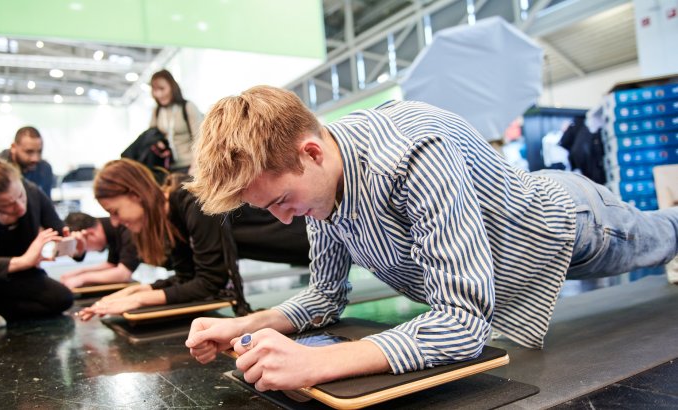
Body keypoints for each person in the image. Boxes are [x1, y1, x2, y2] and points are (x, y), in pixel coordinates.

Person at [183, 85, 678, 392]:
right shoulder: (317, 183)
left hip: (572, 225)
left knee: (669, 235)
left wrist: (317, 361)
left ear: (311, 152)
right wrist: (248, 324)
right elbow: (325, 295)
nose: (286, 220)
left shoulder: (414, 152)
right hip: (509, 262)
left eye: (282, 201)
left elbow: (462, 321)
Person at [77, 160, 309, 321]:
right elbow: (186, 278)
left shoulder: (192, 199)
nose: (115, 222)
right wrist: (133, 293)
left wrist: (140, 300)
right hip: (297, 248)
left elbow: (210, 282)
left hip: (304, 238)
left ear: (135, 195)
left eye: (115, 211)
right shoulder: (172, 214)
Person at [0, 157, 85, 335]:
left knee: (61, 299)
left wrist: (76, 249)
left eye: (20, 196)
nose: (20, 208)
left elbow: (59, 231)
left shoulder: (31, 191)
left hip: (11, 278)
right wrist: (23, 261)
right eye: (7, 205)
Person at [59, 212, 141, 289]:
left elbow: (124, 274)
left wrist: (82, 278)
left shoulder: (126, 229)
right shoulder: (111, 232)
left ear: (90, 233)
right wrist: (79, 273)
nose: (87, 251)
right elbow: (111, 265)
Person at [149, 69, 203, 173]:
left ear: (172, 87)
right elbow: (152, 135)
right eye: (155, 90)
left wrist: (195, 166)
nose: (159, 94)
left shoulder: (188, 107)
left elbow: (200, 139)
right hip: (166, 167)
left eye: (162, 89)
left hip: (190, 166)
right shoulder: (157, 111)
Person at [0, 126, 54, 197]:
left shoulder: (45, 169)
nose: (35, 159)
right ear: (13, 147)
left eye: (39, 152)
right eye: (29, 152)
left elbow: (46, 206)